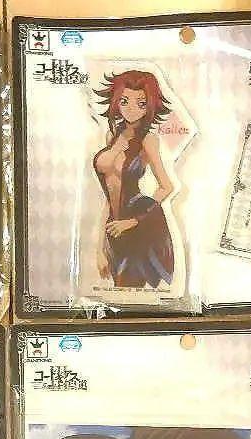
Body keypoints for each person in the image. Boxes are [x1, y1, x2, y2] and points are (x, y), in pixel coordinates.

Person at [93, 70, 177, 289]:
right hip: (114, 225)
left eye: (141, 103)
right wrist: (99, 248)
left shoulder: (148, 140)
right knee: (120, 289)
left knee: (128, 287)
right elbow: (109, 199)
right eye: (124, 101)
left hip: (137, 222)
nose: (131, 109)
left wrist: (133, 221)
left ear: (150, 105)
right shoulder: (112, 136)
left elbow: (166, 186)